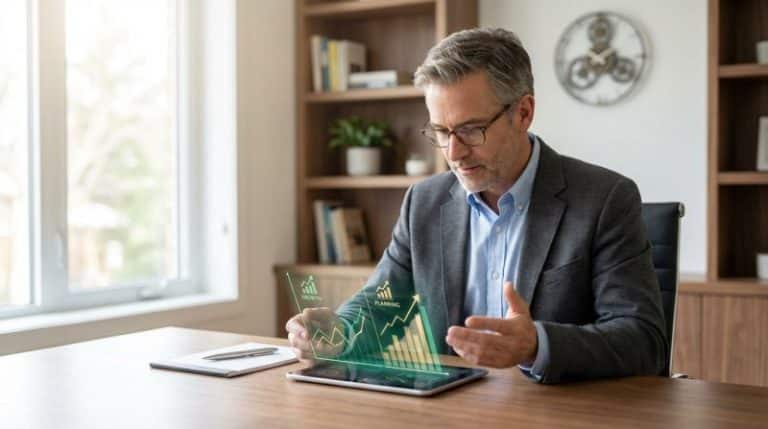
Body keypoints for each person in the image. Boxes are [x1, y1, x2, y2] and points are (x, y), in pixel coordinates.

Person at [287, 28, 667, 384]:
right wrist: (341, 329)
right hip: (450, 407)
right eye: (440, 131)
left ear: (523, 112)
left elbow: (643, 340)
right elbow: (382, 301)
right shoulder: (424, 202)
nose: (453, 153)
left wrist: (537, 345)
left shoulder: (604, 199)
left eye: (471, 129)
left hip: (555, 410)